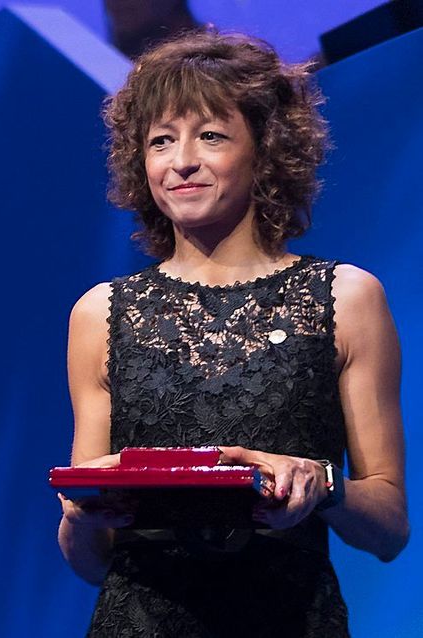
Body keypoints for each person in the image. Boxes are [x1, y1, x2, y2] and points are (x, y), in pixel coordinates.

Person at [57, 31, 408, 636]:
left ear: (266, 151)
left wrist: (322, 486)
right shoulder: (100, 312)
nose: (181, 161)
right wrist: (80, 521)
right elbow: (93, 561)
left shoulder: (346, 298)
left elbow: (390, 530)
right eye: (160, 141)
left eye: (210, 136)